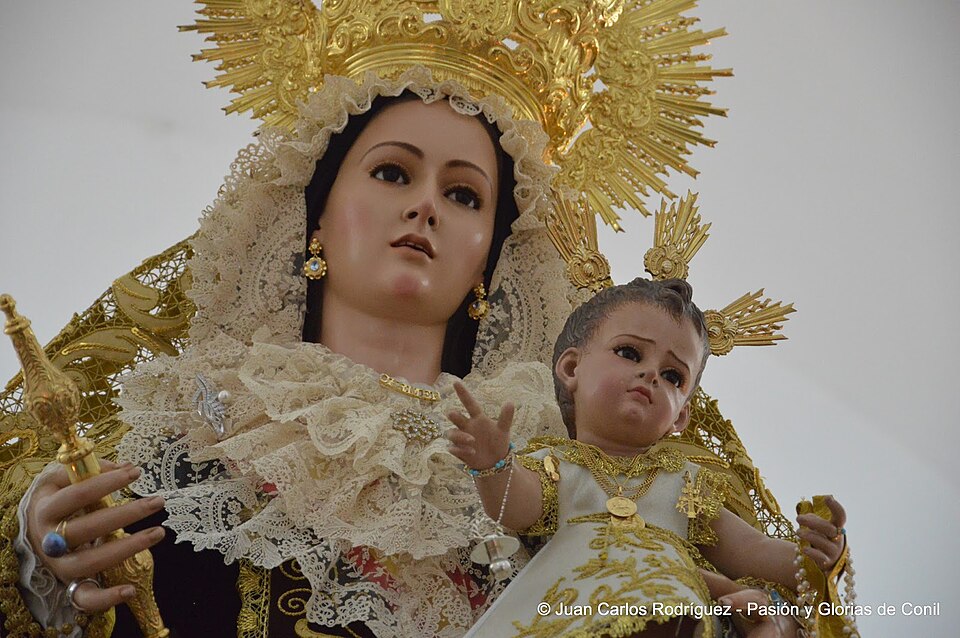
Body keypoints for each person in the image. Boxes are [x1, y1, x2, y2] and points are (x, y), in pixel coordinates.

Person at [10, 71, 578, 637]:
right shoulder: (206, 429)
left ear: (488, 262)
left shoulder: (547, 472)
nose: (426, 206)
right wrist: (43, 568)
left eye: (463, 195)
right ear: (317, 218)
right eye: (392, 173)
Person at [447, 278, 848, 638]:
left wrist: (816, 556)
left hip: (669, 611)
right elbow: (518, 508)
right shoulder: (557, 461)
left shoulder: (686, 483)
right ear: (572, 367)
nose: (652, 374)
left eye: (674, 376)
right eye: (630, 352)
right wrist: (495, 463)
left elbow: (752, 551)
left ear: (680, 417)